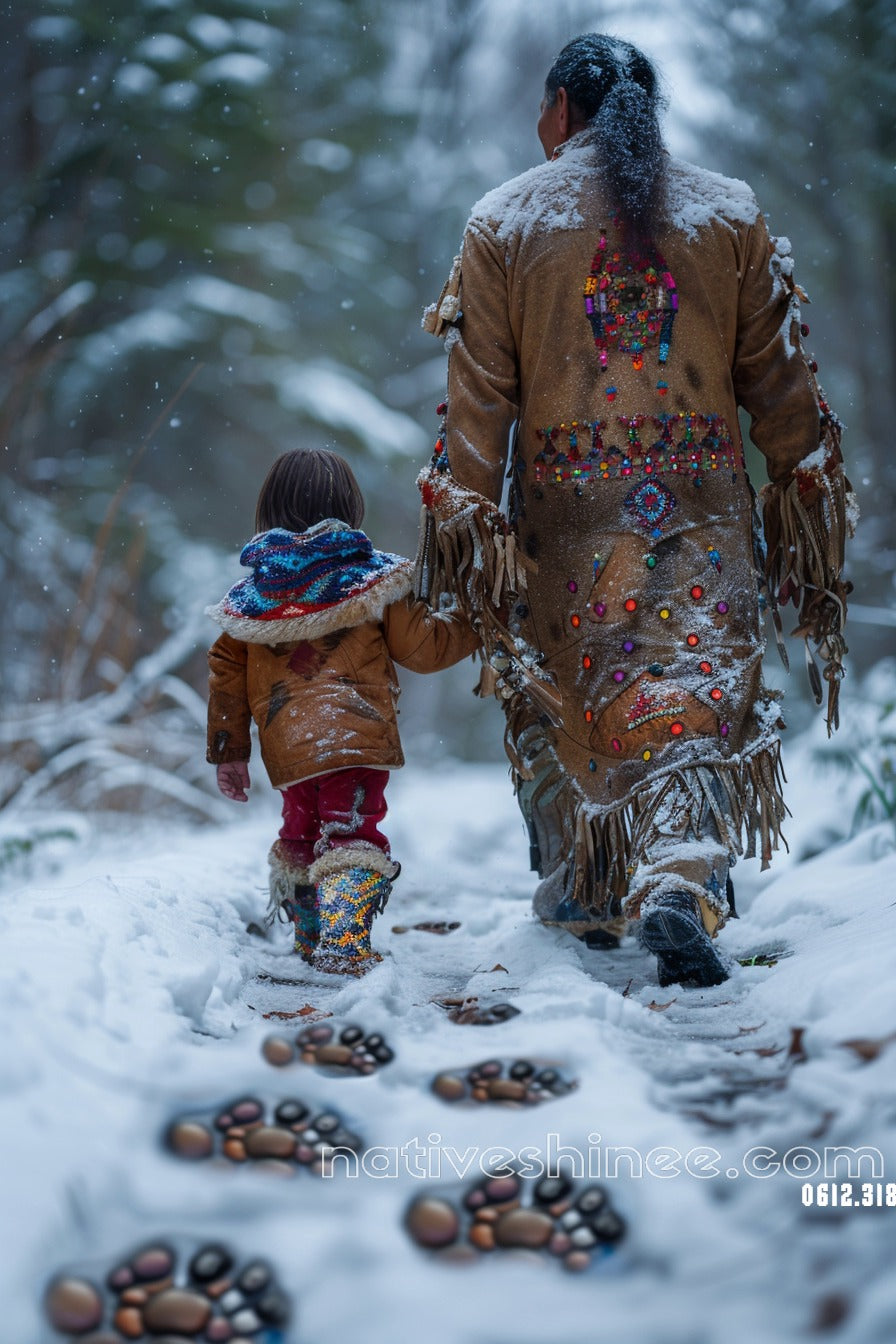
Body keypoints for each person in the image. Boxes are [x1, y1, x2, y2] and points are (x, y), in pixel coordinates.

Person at [416, 34, 855, 988]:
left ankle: (585, 884)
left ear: (562, 110)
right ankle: (683, 879)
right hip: (700, 512)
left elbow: (480, 400)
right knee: (692, 686)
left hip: (566, 525)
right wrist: (804, 484)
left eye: (543, 110)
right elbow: (779, 386)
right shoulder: (726, 213)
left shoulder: (504, 222)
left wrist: (466, 524)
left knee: (569, 690)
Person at [206, 448, 477, 975]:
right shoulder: (373, 581)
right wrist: (472, 618)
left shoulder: (252, 596)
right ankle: (345, 939)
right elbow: (423, 650)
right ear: (351, 508)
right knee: (351, 829)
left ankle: (311, 938)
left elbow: (225, 671)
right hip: (356, 736)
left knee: (301, 830)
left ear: (269, 510)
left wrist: (229, 751)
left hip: (288, 746)